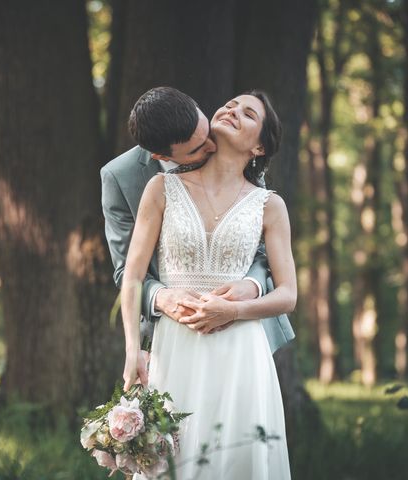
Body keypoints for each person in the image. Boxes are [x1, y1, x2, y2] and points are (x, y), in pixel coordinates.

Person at [120, 90, 294, 478]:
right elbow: (132, 277)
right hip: (175, 347)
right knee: (175, 459)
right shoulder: (162, 189)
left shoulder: (269, 205)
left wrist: (234, 309)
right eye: (231, 104)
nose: (232, 110)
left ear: (259, 145)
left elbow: (288, 295)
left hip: (240, 352)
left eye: (247, 113)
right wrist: (134, 351)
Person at [100, 87, 294, 379]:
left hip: (241, 335)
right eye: (198, 148)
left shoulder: (230, 146)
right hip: (173, 332)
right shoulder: (127, 179)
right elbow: (127, 271)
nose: (211, 147)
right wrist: (161, 300)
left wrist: (251, 286)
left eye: (208, 135)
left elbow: (255, 243)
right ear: (161, 154)